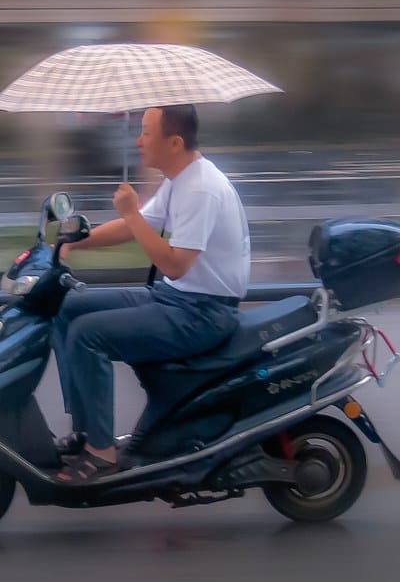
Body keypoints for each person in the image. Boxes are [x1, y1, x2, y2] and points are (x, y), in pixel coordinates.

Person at [52, 104, 251, 483]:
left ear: (174, 142)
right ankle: (86, 431)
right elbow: (134, 229)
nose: (138, 141)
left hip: (203, 314)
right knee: (68, 308)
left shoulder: (202, 189)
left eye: (145, 132)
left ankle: (102, 453)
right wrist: (72, 243)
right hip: (174, 298)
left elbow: (175, 263)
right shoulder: (180, 180)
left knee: (87, 335)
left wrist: (131, 214)